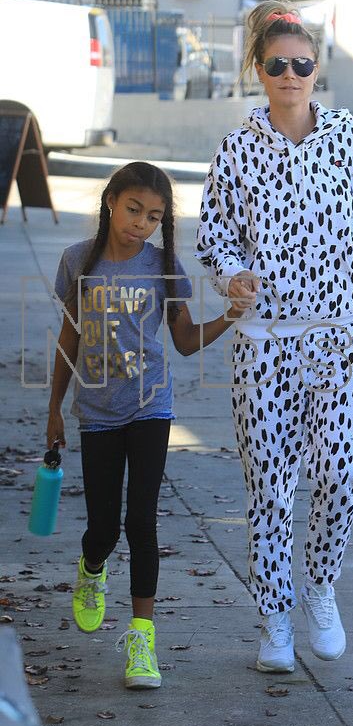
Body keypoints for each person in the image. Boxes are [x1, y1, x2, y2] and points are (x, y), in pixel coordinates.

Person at [196, 0, 353, 673]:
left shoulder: (347, 138)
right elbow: (214, 229)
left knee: (341, 473)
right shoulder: (237, 147)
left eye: (303, 64)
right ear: (259, 69)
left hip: (338, 340)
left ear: (318, 69)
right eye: (278, 64)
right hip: (263, 342)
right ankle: (274, 618)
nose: (292, 74)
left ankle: (319, 584)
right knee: (270, 488)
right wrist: (231, 274)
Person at [47, 161, 243, 689]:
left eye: (153, 216)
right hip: (97, 412)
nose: (141, 223)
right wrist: (53, 414)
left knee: (142, 523)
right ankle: (91, 569)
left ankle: (141, 640)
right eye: (134, 209)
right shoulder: (77, 262)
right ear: (111, 201)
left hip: (151, 406)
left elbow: (183, 340)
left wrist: (230, 316)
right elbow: (69, 341)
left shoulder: (164, 266)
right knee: (104, 528)